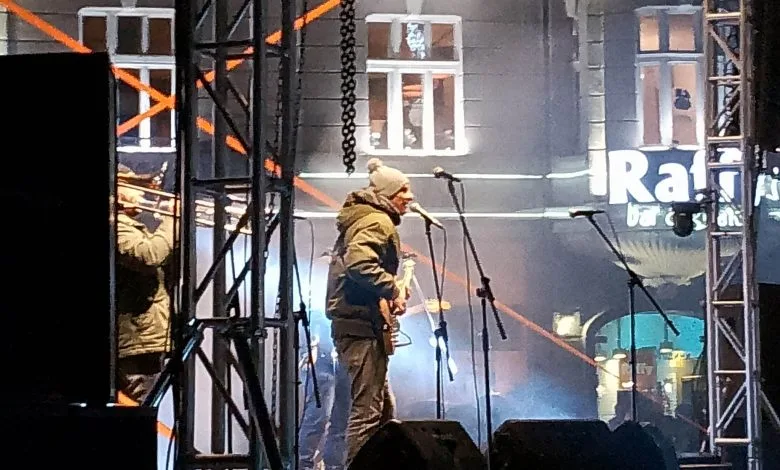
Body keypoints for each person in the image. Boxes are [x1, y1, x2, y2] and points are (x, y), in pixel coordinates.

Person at [325, 157, 415, 466]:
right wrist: (392, 288)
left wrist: (387, 295)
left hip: (361, 325)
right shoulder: (377, 221)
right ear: (388, 193)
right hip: (360, 328)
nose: (410, 196)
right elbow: (360, 265)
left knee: (384, 413)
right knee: (367, 414)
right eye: (403, 190)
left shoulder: (367, 219)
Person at [115, 163, 176, 403]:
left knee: (144, 409)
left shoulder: (127, 224)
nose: (143, 192)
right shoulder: (114, 224)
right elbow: (149, 254)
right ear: (118, 189)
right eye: (135, 186)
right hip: (136, 338)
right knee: (141, 410)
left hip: (143, 337)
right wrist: (172, 220)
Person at [298, 311, 351, 470]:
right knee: (319, 417)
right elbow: (314, 312)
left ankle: (334, 466)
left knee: (341, 420)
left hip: (344, 354)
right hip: (323, 357)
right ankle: (302, 465)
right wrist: (311, 345)